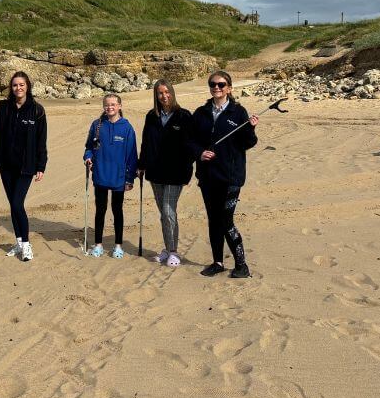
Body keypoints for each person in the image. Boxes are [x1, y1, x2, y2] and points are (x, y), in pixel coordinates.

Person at [188, 70, 259, 278]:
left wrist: (251, 129)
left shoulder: (238, 112)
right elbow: (189, 140)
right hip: (208, 176)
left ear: (229, 88)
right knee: (213, 220)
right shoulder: (201, 113)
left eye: (221, 84)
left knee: (226, 220)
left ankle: (241, 265)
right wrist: (200, 153)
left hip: (231, 177)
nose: (216, 88)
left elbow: (248, 143)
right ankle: (217, 262)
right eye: (213, 84)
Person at [0, 71, 48, 262]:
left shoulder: (37, 110)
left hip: (26, 167)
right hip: (7, 165)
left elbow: (41, 141)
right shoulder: (4, 108)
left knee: (17, 203)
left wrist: (41, 166)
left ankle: (27, 244)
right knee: (13, 206)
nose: (18, 88)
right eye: (15, 85)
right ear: (11, 88)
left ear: (27, 86)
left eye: (21, 84)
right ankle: (19, 242)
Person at [138, 79, 194, 268]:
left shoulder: (184, 116)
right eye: (160, 93)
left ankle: (173, 252)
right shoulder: (151, 116)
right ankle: (167, 249)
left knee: (169, 211)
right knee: (163, 213)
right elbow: (146, 143)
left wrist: (187, 169)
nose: (164, 96)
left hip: (176, 172)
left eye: (167, 92)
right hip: (155, 172)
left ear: (172, 92)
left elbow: (191, 145)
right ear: (156, 96)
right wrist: (141, 165)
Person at [83, 93, 137, 259]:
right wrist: (88, 157)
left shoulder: (127, 128)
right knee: (100, 209)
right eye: (107, 105)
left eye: (113, 104)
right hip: (100, 175)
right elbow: (89, 147)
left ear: (120, 106)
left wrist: (130, 179)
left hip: (119, 178)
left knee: (117, 210)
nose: (110, 107)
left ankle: (118, 246)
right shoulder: (97, 125)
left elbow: (132, 156)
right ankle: (98, 244)